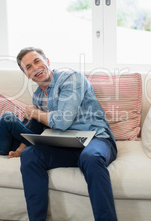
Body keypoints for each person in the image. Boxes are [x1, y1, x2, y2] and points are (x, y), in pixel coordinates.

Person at [16, 47, 118, 221]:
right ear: (27, 75)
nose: (35, 68)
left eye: (37, 61)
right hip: (67, 145)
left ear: (47, 61)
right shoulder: (38, 96)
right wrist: (22, 145)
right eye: (29, 67)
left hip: (96, 138)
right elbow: (43, 127)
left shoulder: (71, 78)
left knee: (90, 158)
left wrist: (34, 113)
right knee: (30, 156)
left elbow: (63, 121)